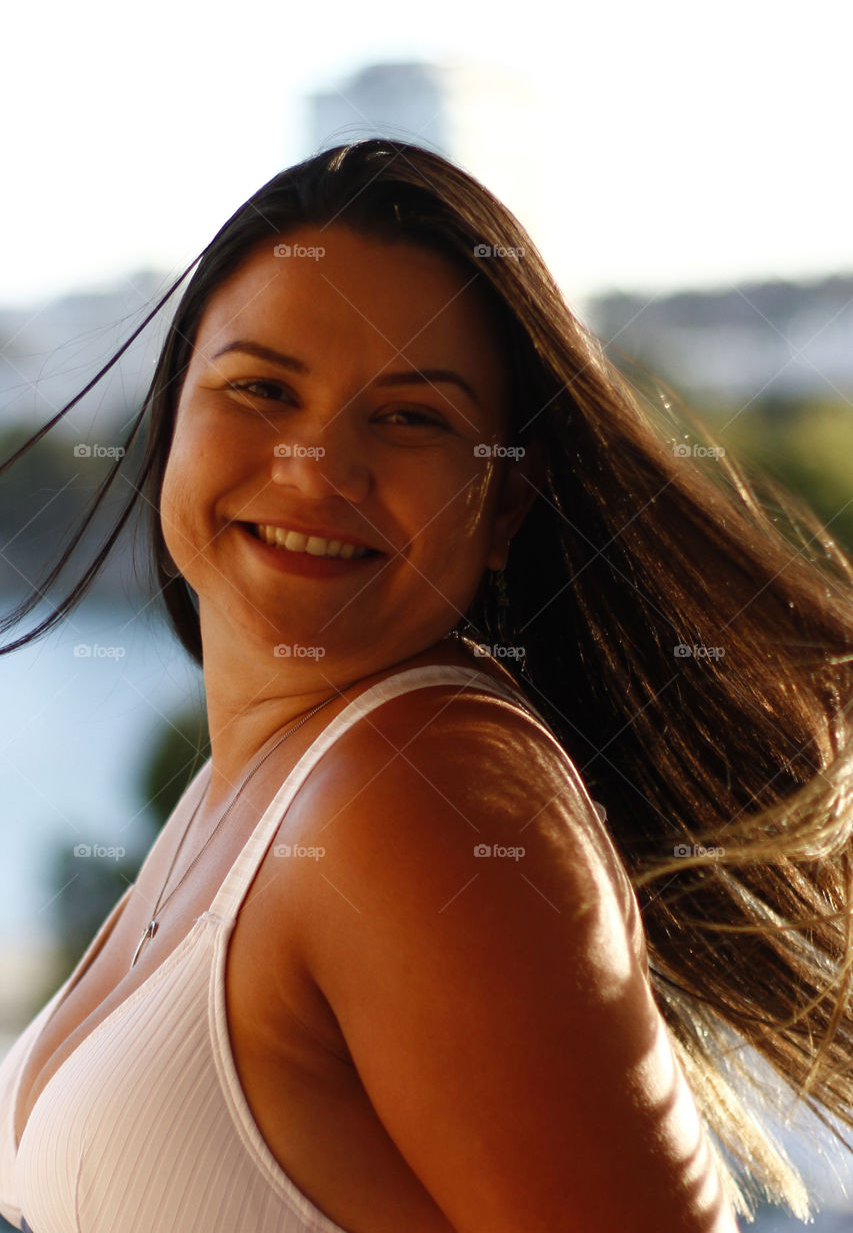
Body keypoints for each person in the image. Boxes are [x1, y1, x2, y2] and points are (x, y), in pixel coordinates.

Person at [0, 138, 852, 1232]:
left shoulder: (423, 800)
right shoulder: (257, 784)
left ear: (503, 506)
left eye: (409, 416)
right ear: (172, 422)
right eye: (261, 387)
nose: (316, 466)